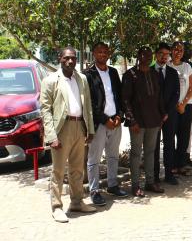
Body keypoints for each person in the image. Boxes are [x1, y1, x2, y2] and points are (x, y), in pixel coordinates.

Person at [41, 47, 96, 222]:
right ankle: (57, 207)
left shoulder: (82, 79)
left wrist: (90, 129)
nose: (70, 61)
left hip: (79, 126)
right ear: (60, 59)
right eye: (66, 58)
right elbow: (45, 110)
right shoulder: (50, 80)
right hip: (61, 130)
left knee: (77, 169)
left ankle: (77, 202)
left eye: (73, 58)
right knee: (58, 171)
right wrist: (51, 136)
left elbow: (87, 106)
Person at [84, 42, 128, 207]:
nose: (102, 54)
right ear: (94, 53)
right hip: (99, 124)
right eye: (99, 51)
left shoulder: (114, 72)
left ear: (109, 54)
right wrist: (104, 119)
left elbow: (119, 96)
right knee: (94, 159)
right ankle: (94, 191)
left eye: (105, 51)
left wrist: (119, 116)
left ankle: (112, 185)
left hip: (115, 122)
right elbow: (89, 103)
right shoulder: (88, 74)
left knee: (113, 155)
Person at [122, 46, 166, 197]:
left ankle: (150, 182)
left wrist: (162, 115)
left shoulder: (154, 73)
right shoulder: (130, 75)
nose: (147, 58)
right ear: (138, 56)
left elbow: (159, 96)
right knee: (135, 154)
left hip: (154, 120)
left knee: (151, 152)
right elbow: (125, 100)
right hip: (137, 122)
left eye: (149, 55)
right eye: (144, 55)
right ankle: (135, 185)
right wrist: (131, 120)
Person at [152, 43, 180, 185]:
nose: (164, 57)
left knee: (169, 144)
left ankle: (169, 174)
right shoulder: (149, 72)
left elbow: (176, 94)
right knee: (154, 146)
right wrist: (157, 113)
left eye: (167, 54)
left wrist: (167, 112)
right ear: (156, 54)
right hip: (153, 115)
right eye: (161, 54)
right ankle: (155, 176)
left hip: (170, 115)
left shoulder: (173, 73)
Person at [168, 41, 192, 176]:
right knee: (170, 136)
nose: (178, 52)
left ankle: (181, 165)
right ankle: (171, 165)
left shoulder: (187, 67)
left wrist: (183, 104)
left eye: (181, 50)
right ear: (171, 51)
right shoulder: (167, 65)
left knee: (184, 137)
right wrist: (174, 105)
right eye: (175, 49)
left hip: (186, 107)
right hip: (171, 107)